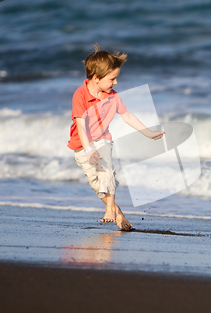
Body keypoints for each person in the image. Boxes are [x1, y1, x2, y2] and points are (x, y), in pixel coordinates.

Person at [67, 44, 164, 230]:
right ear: (96, 79)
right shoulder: (80, 96)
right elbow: (80, 126)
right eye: (113, 79)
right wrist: (88, 150)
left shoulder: (113, 96)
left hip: (103, 139)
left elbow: (127, 115)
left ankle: (109, 210)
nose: (116, 83)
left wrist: (149, 133)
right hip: (82, 144)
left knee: (106, 171)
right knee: (97, 186)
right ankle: (117, 212)